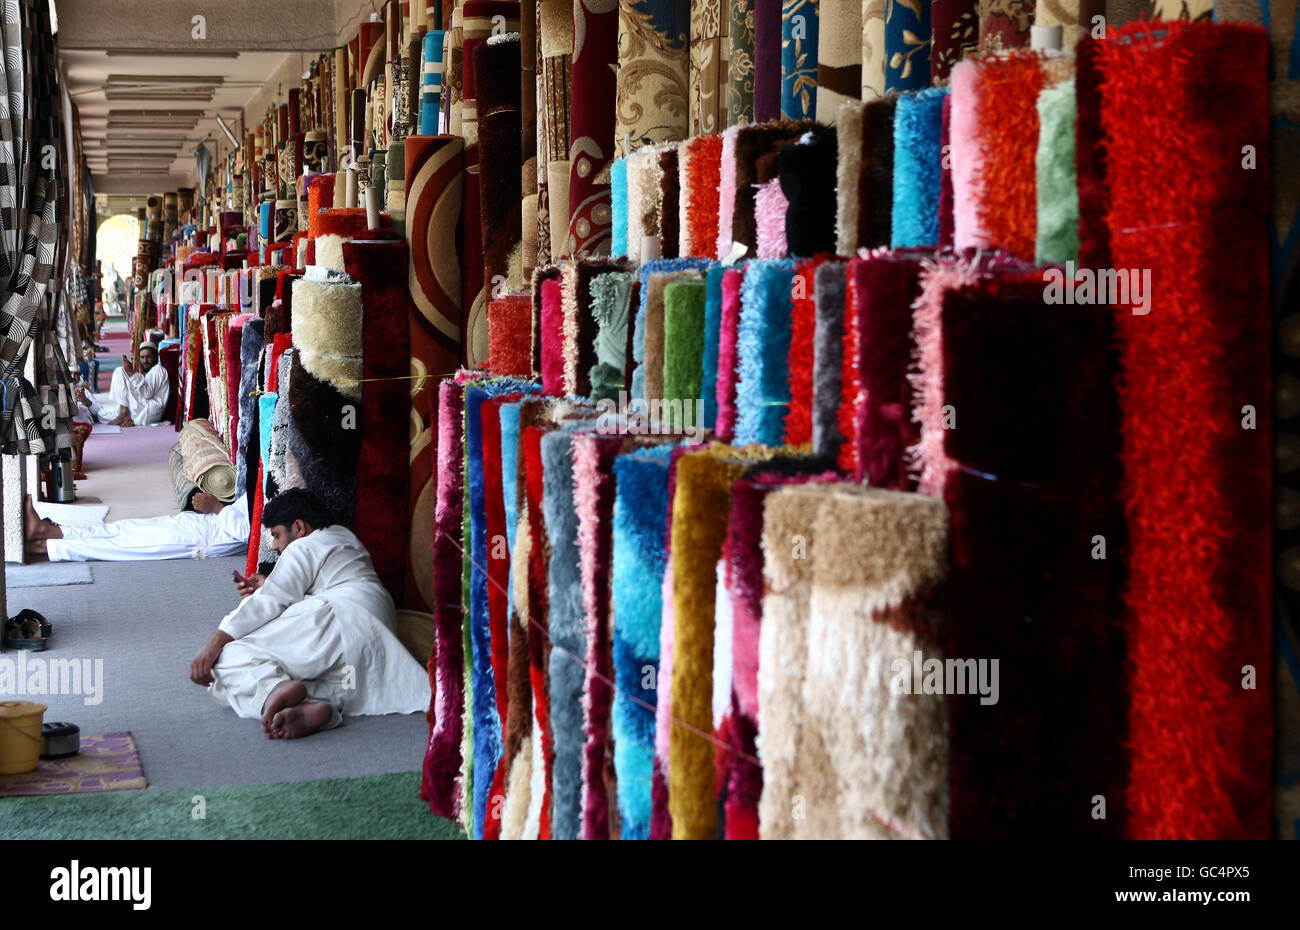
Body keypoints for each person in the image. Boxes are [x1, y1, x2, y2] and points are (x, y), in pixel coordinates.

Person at [189, 489, 429, 739]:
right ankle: (310, 707)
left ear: (299, 527)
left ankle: (274, 692)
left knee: (228, 660)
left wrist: (215, 642)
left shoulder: (305, 544)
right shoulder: (344, 537)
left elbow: (271, 600)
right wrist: (268, 583)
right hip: (363, 646)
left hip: (337, 621)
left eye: (277, 535)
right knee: (340, 684)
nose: (274, 545)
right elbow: (309, 584)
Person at [23, 492, 248, 561]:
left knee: (122, 544)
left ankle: (43, 547)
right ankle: (48, 531)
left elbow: (249, 534)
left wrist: (218, 507)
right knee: (122, 528)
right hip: (202, 524)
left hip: (204, 538)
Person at [79, 341, 168, 427]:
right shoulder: (147, 372)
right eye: (142, 357)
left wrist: (131, 373)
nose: (145, 361)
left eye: (148, 357)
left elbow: (146, 394)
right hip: (142, 407)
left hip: (150, 410)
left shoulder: (158, 370)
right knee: (107, 414)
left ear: (156, 357)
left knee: (120, 371)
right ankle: (122, 413)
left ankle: (124, 414)